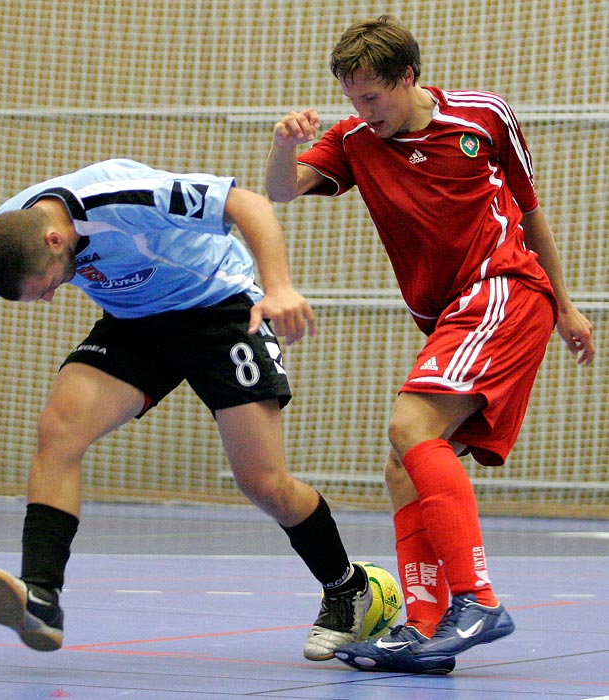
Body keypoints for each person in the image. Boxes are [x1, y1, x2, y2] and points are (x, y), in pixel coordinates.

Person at [0, 157, 380, 660]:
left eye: (45, 287)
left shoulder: (124, 200)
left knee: (263, 483)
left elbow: (248, 203)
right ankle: (42, 596)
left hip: (220, 308)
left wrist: (279, 286)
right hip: (135, 323)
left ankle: (347, 589)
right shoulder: (7, 231)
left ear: (54, 240)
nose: (46, 300)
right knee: (59, 430)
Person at [265, 15, 595, 675]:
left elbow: (529, 212)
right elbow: (278, 192)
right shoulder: (355, 139)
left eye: (372, 97)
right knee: (402, 462)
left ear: (407, 77)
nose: (362, 111)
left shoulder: (484, 118)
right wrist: (283, 145)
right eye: (352, 99)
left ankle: (477, 599)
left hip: (503, 289)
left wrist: (564, 303)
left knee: (410, 424)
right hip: (454, 314)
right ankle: (421, 627)